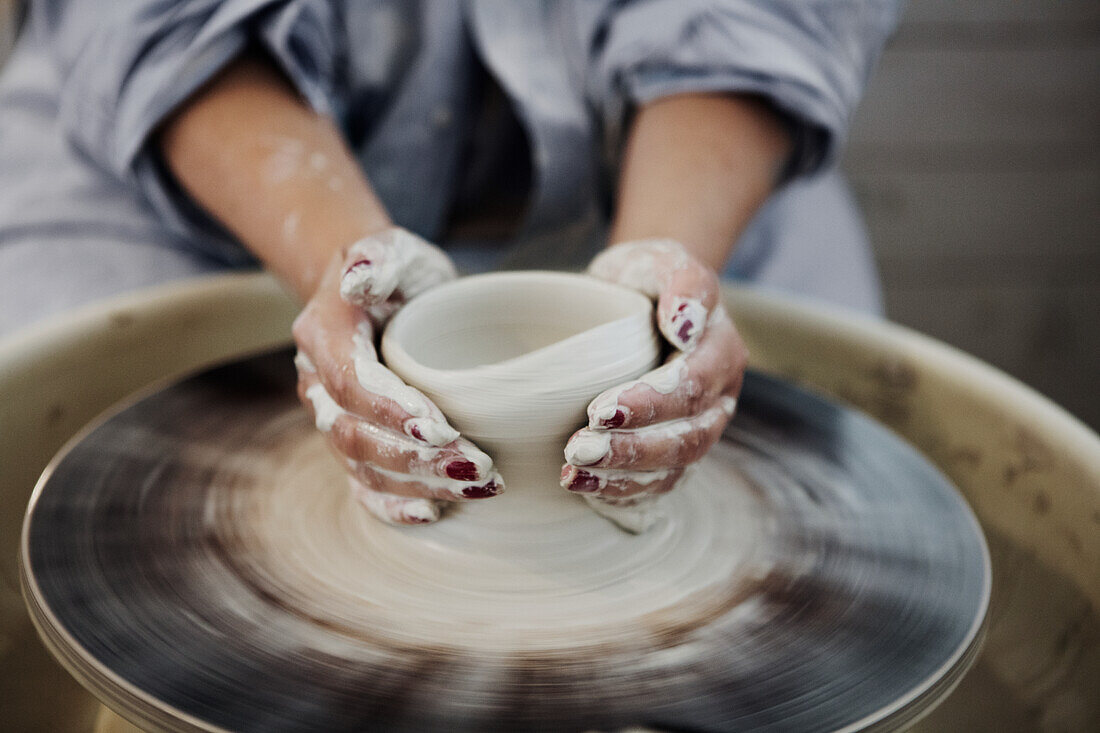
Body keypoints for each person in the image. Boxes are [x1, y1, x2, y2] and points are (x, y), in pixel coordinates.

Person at [0, 1, 902, 525]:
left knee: (846, 474)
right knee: (64, 477)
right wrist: (340, 256)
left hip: (679, 132)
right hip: (199, 131)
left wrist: (668, 260)